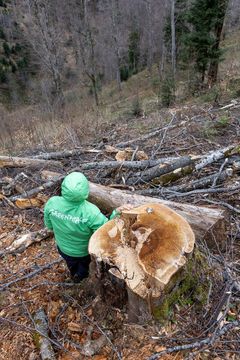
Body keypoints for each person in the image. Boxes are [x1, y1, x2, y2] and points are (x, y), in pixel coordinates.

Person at [44, 172, 122, 283]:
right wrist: (115, 214)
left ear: (63, 187)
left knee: (71, 263)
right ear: (86, 190)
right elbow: (105, 232)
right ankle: (82, 278)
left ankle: (74, 274)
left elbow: (49, 225)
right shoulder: (90, 212)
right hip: (83, 252)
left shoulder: (52, 203)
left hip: (63, 248)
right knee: (84, 267)